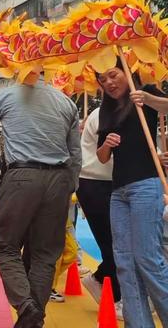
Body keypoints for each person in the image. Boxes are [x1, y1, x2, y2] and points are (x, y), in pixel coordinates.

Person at [0, 78, 81, 327]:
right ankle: (33, 318)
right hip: (58, 179)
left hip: (22, 176)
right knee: (45, 254)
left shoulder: (9, 95)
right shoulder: (66, 101)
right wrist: (69, 185)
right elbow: (75, 154)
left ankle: (26, 306)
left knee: (7, 246)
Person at [96, 60, 168, 326]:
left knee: (148, 259)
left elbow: (167, 106)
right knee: (124, 262)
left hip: (146, 185)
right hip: (119, 192)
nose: (109, 83)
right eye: (103, 80)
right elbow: (102, 157)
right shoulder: (106, 110)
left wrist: (147, 97)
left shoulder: (146, 92)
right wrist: (106, 144)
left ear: (127, 72)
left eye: (113, 75)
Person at [76, 107, 122, 316]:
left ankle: (99, 278)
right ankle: (118, 296)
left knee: (122, 243)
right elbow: (110, 153)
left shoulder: (133, 111)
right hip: (94, 182)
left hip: (120, 182)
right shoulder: (102, 114)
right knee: (112, 243)